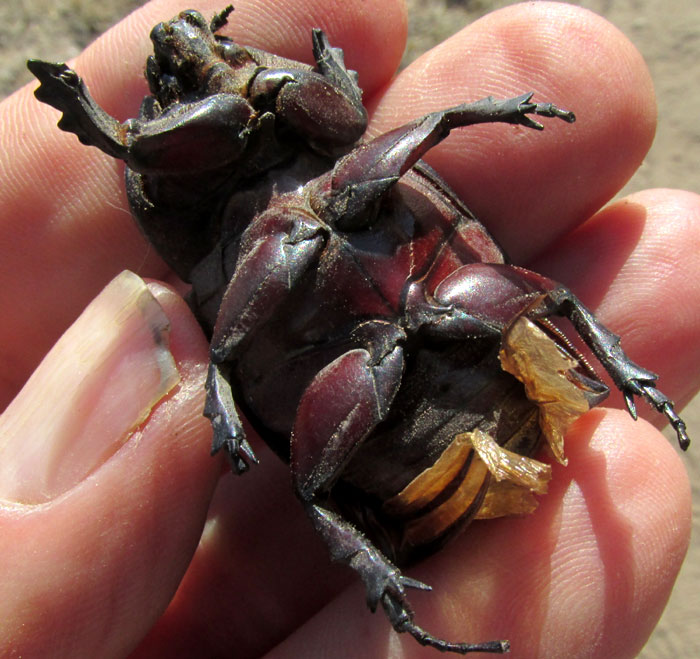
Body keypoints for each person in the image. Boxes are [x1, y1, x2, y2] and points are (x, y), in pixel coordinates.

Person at [0, 1, 696, 656]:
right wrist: (112, 135)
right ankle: (382, 570)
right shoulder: (202, 224)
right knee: (316, 474)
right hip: (380, 407)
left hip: (456, 341)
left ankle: (628, 378)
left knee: (545, 298)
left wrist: (459, 108)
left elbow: (369, 121)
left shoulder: (310, 139)